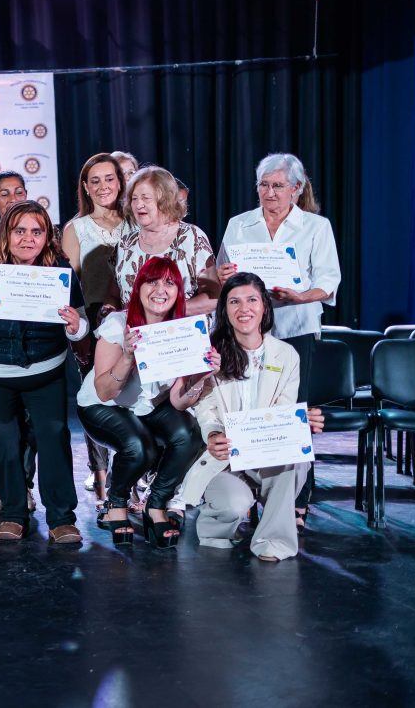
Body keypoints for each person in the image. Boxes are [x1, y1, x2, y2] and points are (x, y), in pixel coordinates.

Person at [0, 200, 88, 543]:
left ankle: (61, 518)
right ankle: (13, 514)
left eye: (36, 232)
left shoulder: (60, 267)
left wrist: (75, 326)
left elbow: (82, 325)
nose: (28, 239)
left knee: (53, 439)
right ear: (6, 233)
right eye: (20, 230)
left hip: (45, 369)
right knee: (3, 443)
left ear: (47, 237)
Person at [216, 153, 340, 527]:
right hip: (247, 331)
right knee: (249, 410)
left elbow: (329, 280)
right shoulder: (240, 224)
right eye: (263, 185)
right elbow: (223, 277)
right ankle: (252, 494)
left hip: (296, 326)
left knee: (290, 413)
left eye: (278, 186)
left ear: (297, 189)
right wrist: (222, 274)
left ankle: (296, 501)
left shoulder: (315, 226)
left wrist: (300, 296)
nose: (269, 193)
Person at [175, 272, 325, 561]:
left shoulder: (287, 354)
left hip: (266, 453)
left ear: (265, 307)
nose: (244, 309)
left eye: (252, 300)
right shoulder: (210, 353)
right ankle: (216, 529)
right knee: (233, 503)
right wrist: (213, 435)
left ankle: (273, 541)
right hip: (225, 458)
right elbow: (205, 409)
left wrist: (299, 420)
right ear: (224, 310)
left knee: (296, 457)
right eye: (234, 301)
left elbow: (283, 410)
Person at [77, 257, 210, 548]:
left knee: (189, 435)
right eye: (152, 281)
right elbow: (103, 392)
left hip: (148, 407)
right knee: (140, 448)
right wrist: (127, 357)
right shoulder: (118, 324)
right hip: (103, 406)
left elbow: (176, 401)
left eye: (169, 283)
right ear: (138, 288)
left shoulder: (184, 331)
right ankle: (116, 506)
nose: (160, 289)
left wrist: (200, 375)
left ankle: (156, 504)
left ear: (179, 292)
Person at [61, 153, 130, 503]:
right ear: (86, 188)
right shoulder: (76, 228)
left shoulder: (138, 221)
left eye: (110, 178)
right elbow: (68, 283)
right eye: (96, 181)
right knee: (97, 397)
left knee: (133, 397)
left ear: (120, 182)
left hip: (134, 316)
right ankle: (102, 480)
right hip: (92, 322)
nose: (104, 186)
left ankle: (131, 476)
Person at [109, 165, 217, 316]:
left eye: (145, 198)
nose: (138, 204)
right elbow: (114, 295)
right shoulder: (126, 243)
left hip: (180, 333)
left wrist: (166, 312)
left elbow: (213, 297)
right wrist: (109, 309)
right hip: (134, 335)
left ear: (165, 199)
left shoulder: (192, 237)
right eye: (134, 198)